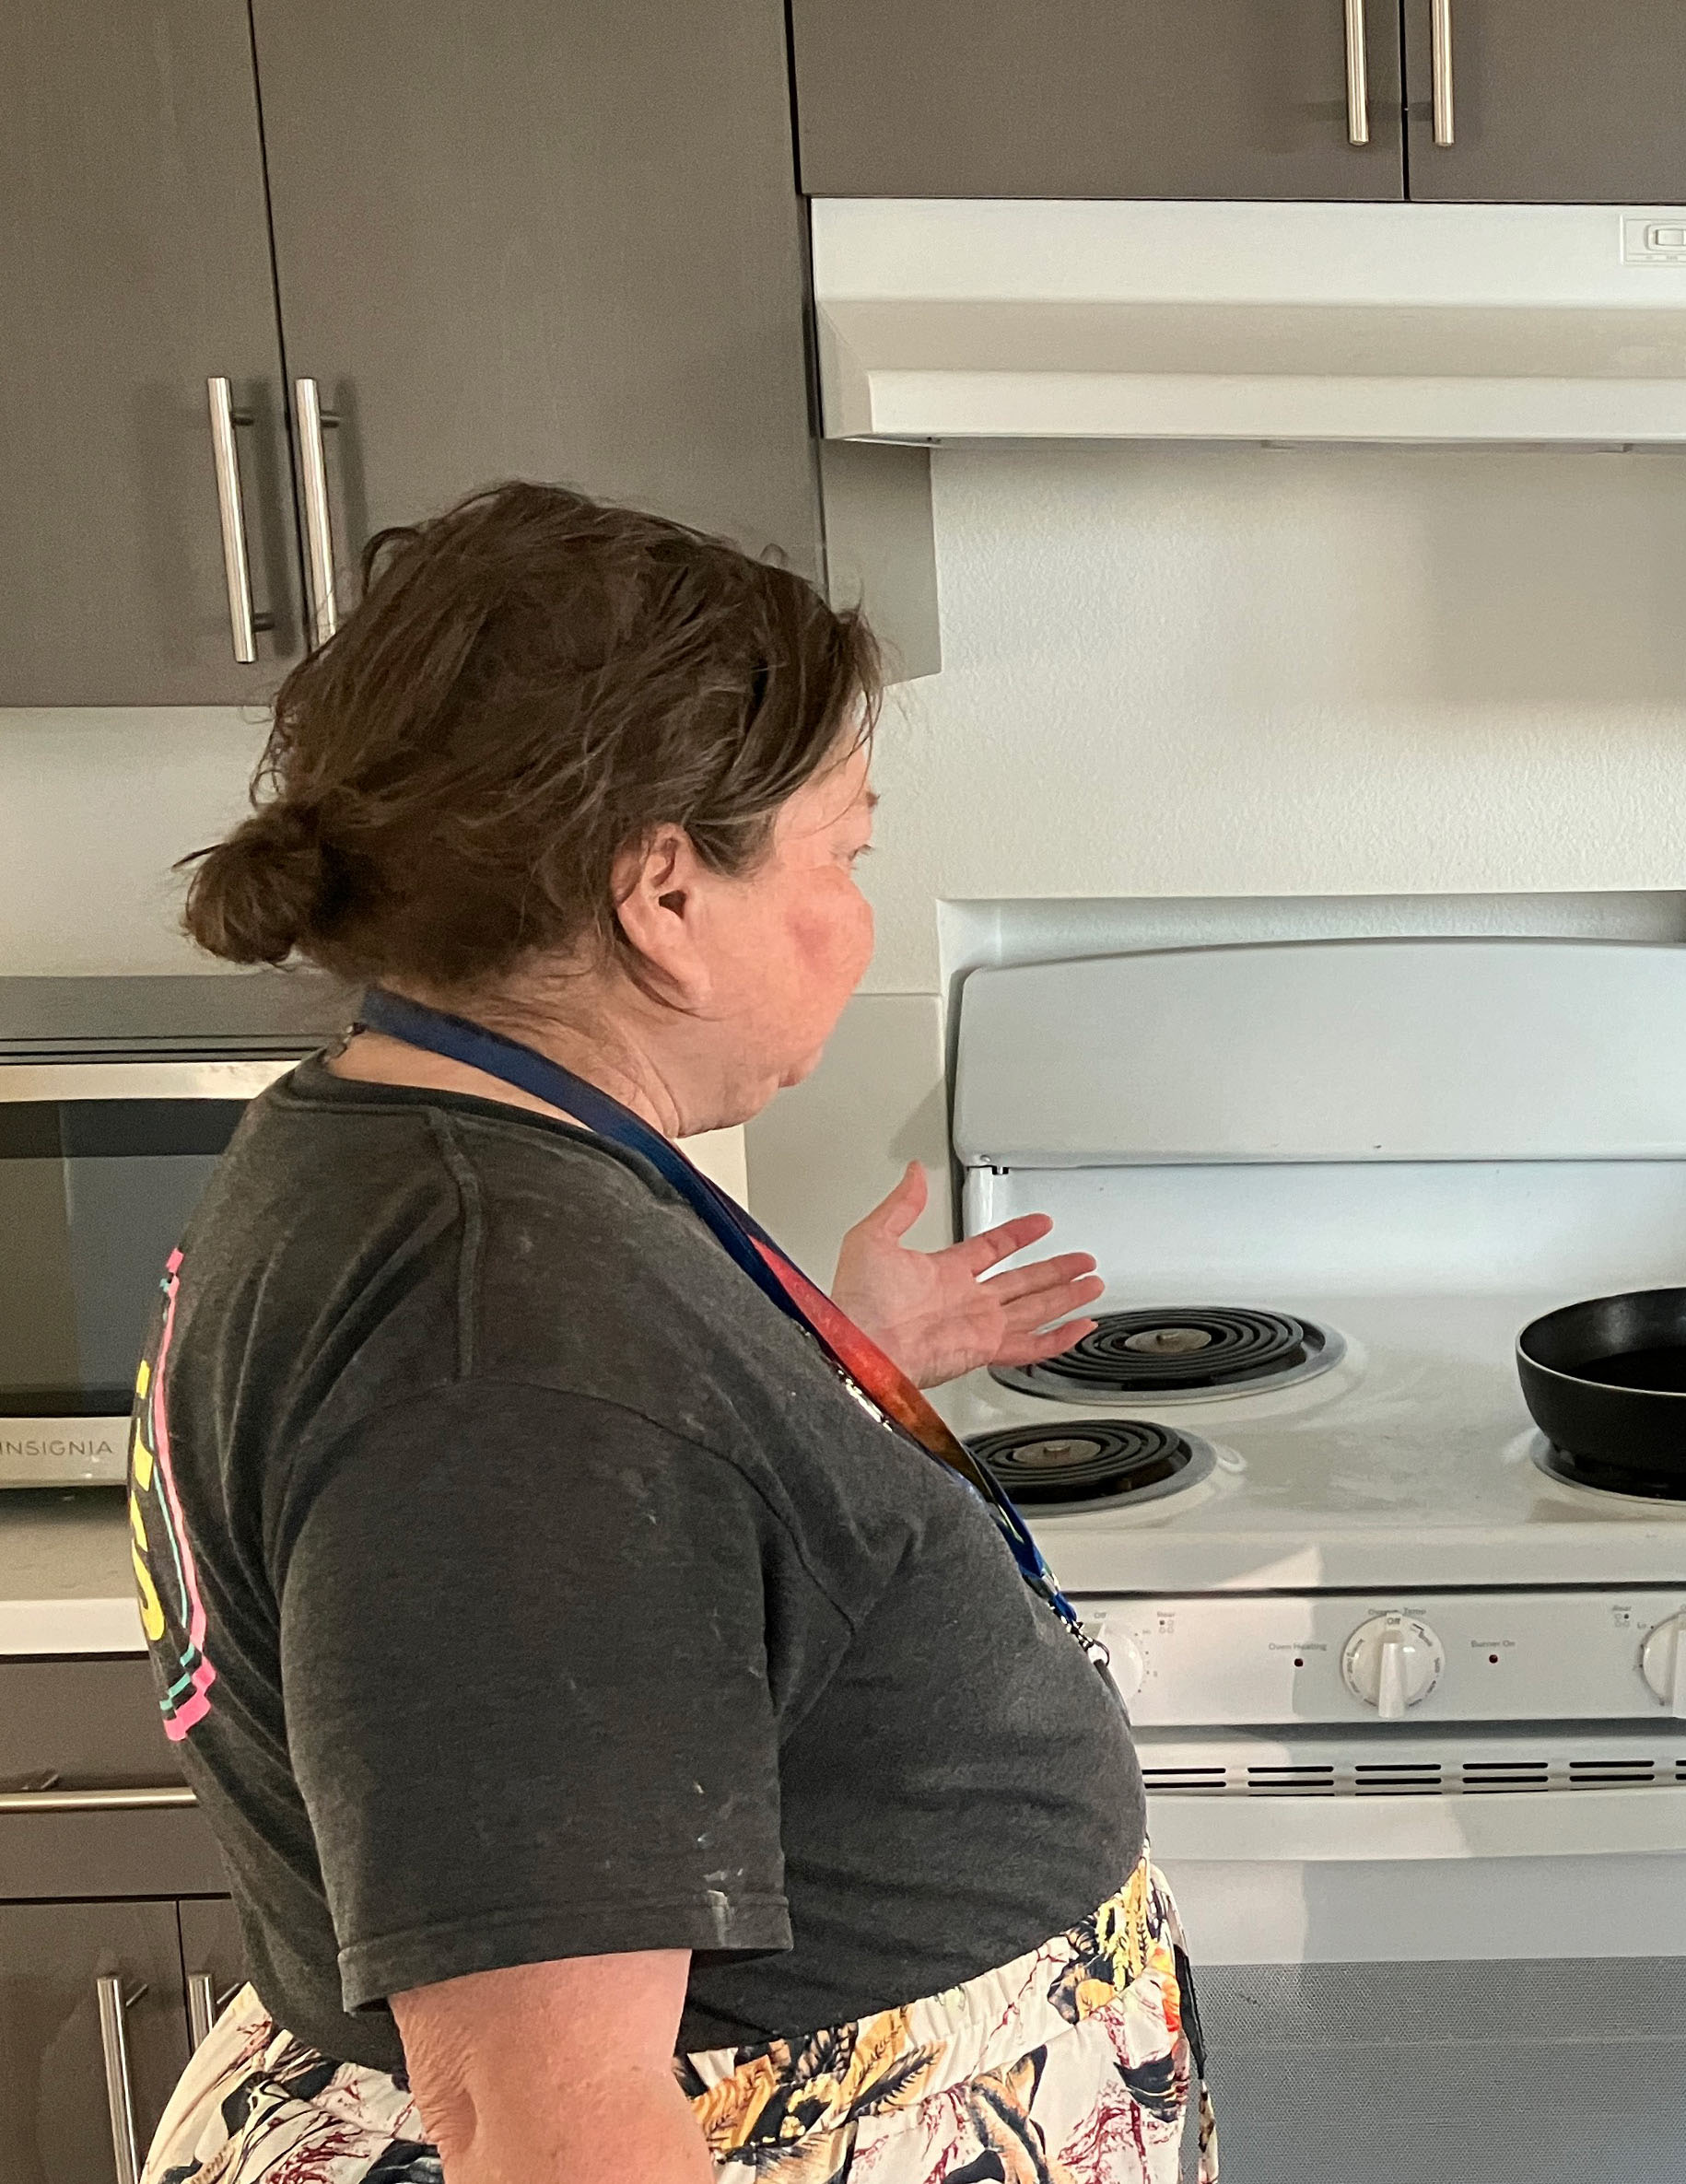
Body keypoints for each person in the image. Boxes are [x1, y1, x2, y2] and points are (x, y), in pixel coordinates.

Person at [133, 483, 1216, 2182]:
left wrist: (810, 1377)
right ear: (661, 896)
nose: (856, 914)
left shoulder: (425, 1157)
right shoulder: (511, 1353)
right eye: (843, 853)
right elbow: (545, 2122)